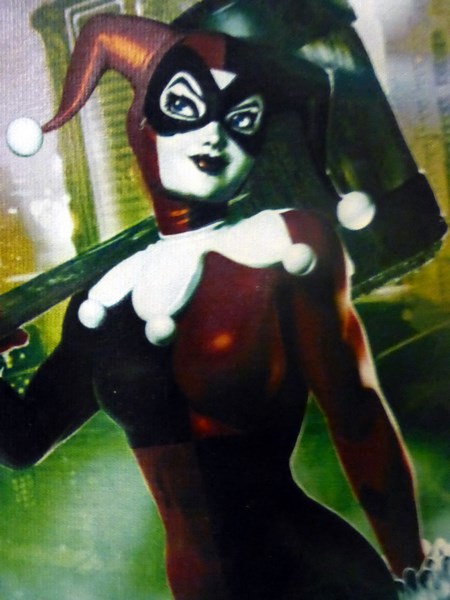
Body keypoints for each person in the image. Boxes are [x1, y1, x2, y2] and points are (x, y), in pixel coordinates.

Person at [0, 14, 425, 599]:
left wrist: (413, 573)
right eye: (185, 105)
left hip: (317, 581)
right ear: (141, 126)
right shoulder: (106, 298)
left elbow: (357, 416)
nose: (214, 134)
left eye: (242, 118)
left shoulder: (284, 248)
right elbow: (23, 442)